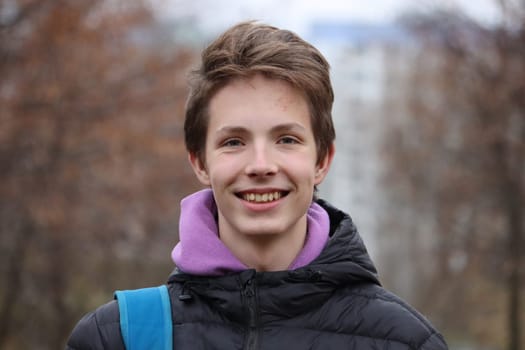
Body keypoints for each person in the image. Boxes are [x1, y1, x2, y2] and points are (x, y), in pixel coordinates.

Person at [66, 21, 448, 349]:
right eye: (234, 141)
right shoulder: (115, 338)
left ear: (322, 161)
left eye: (287, 139)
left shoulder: (403, 341)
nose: (261, 166)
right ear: (199, 161)